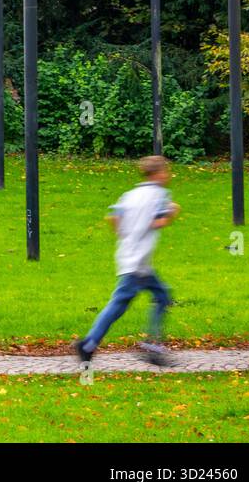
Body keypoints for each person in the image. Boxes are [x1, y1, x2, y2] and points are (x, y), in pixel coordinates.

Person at [74, 154, 180, 367]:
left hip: (128, 255)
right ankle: (92, 344)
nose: (168, 175)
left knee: (156, 296)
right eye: (166, 171)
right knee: (123, 303)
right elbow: (157, 222)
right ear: (158, 174)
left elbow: (113, 218)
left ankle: (91, 344)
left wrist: (126, 234)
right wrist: (172, 213)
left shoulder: (130, 195)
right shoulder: (159, 195)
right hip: (139, 262)